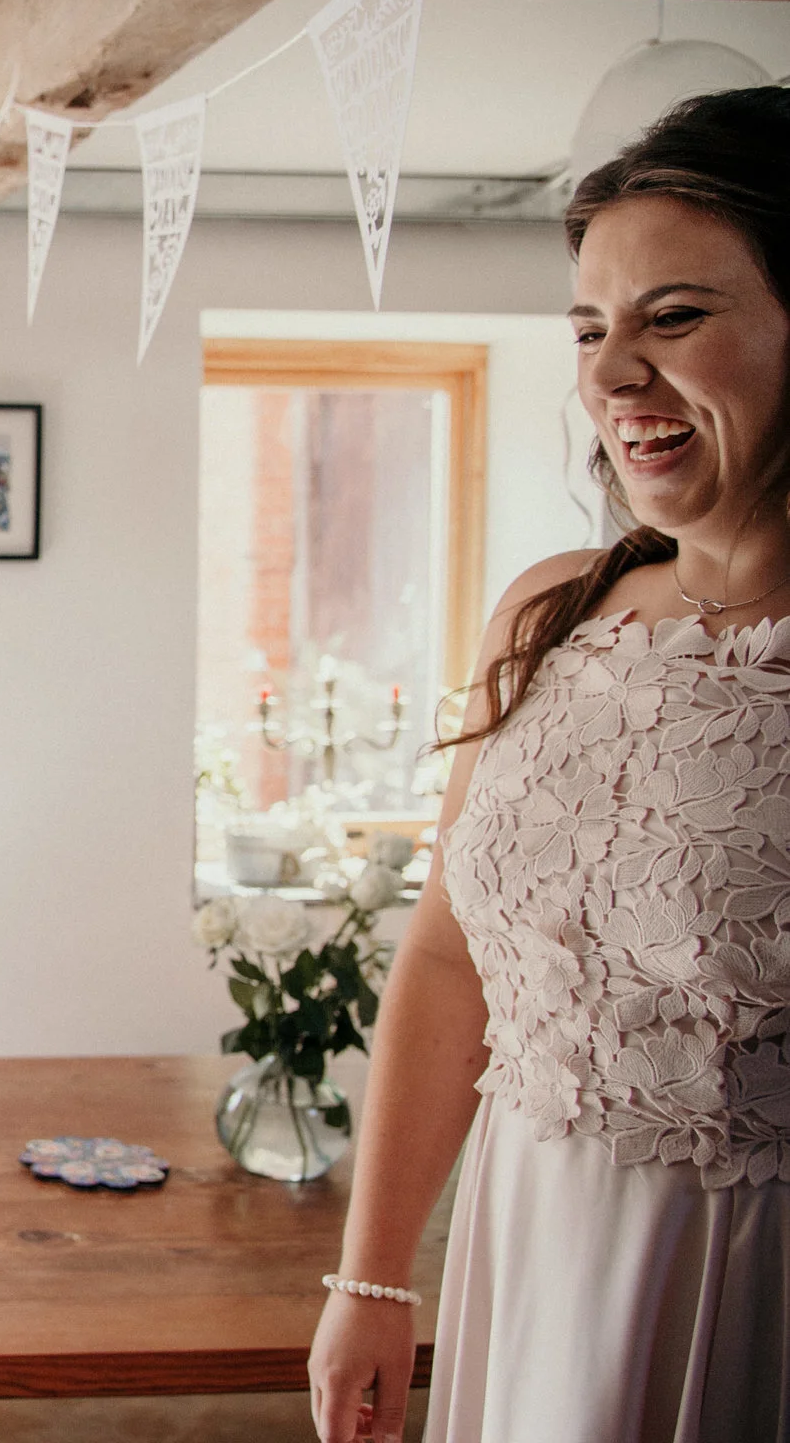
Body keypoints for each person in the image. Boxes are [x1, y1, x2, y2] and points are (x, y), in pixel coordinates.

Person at [309, 86, 790, 1443]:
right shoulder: (552, 611)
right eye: (591, 329)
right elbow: (449, 952)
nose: (612, 376)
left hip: (745, 1287)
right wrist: (373, 1274)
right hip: (527, 1249)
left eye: (673, 319)